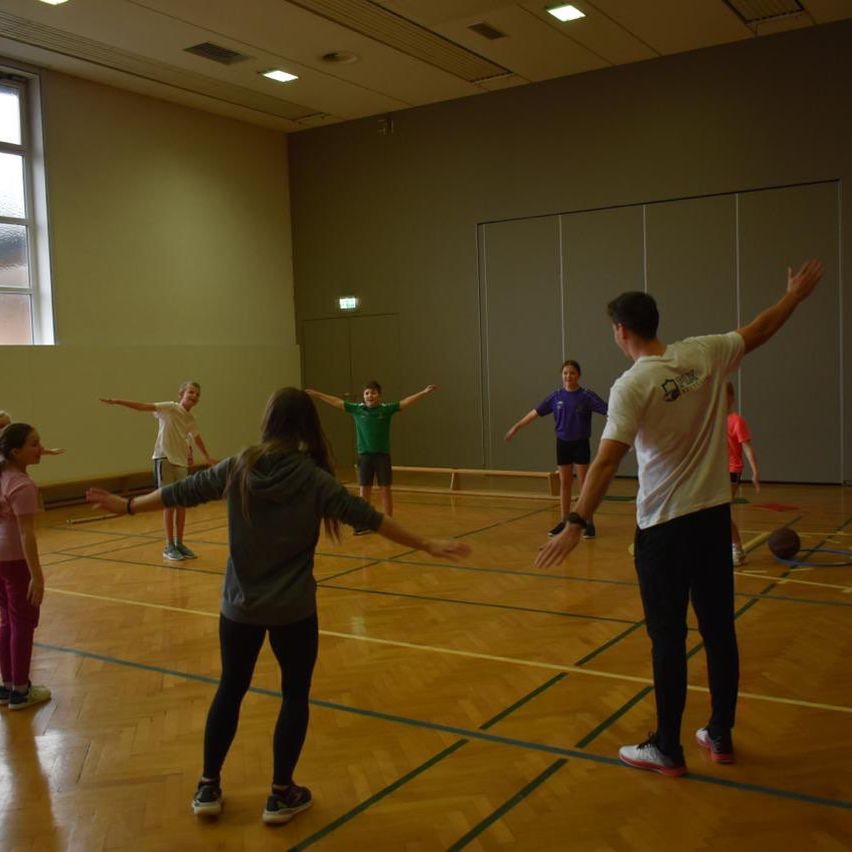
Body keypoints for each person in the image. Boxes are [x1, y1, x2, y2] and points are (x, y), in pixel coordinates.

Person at [86, 387, 470, 824]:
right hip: (293, 610)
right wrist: (426, 544)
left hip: (239, 608)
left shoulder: (240, 465)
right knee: (294, 695)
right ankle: (280, 794)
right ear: (308, 426)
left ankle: (208, 786)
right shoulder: (314, 478)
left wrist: (130, 505)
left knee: (230, 689)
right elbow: (370, 518)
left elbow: (184, 491)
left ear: (268, 421)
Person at [535, 260, 824, 777]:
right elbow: (761, 326)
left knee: (668, 638)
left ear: (620, 331)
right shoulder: (705, 352)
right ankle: (720, 732)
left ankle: (667, 747)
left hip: (664, 530)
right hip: (713, 520)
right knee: (719, 632)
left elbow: (606, 460)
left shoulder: (631, 386)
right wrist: (794, 297)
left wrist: (577, 521)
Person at [99, 382, 216, 561]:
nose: (194, 396)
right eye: (191, 392)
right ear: (181, 394)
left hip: (181, 463)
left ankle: (179, 543)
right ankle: (168, 545)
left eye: (197, 394)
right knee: (168, 502)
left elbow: (194, 437)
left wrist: (207, 457)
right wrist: (118, 401)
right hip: (164, 459)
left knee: (182, 503)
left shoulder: (190, 418)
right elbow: (143, 407)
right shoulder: (170, 408)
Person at [306, 381, 438, 533]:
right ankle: (364, 522)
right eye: (367, 393)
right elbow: (336, 402)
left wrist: (424, 392)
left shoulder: (386, 409)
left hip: (382, 456)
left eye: (373, 393)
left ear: (379, 396)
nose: (370, 396)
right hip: (365, 456)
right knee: (364, 490)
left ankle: (389, 523)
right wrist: (317, 394)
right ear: (363, 396)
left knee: (385, 489)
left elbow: (405, 402)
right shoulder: (357, 409)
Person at [505, 360, 607, 538]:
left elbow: (610, 410)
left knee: (584, 485)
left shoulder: (587, 396)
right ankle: (563, 520)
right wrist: (517, 426)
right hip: (563, 444)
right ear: (562, 376)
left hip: (581, 443)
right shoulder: (556, 397)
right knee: (565, 483)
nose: (568, 376)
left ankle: (589, 522)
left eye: (572, 373)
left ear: (579, 375)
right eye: (565, 373)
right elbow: (534, 413)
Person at [0, 423, 51, 711]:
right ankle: (20, 690)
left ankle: (8, 685)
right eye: (34, 444)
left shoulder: (2, 475)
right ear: (16, 452)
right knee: (22, 624)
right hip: (15, 562)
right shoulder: (22, 485)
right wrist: (37, 576)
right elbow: (25, 534)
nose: (40, 448)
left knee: (8, 621)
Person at [727, 382, 760, 566]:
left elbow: (747, 448)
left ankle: (738, 550)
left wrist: (755, 471)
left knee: (722, 511)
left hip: (732, 470)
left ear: (731, 397)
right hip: (714, 471)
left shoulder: (736, 421)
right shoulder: (711, 420)